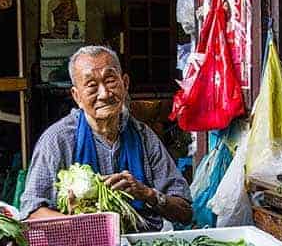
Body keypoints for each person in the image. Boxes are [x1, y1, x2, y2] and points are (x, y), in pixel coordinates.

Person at [20, 45, 192, 231]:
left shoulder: (144, 137)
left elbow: (185, 212)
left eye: (110, 81)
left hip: (141, 243)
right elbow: (31, 213)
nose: (104, 94)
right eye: (91, 86)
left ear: (125, 84)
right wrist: (82, 221)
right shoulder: (58, 140)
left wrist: (147, 193)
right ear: (76, 96)